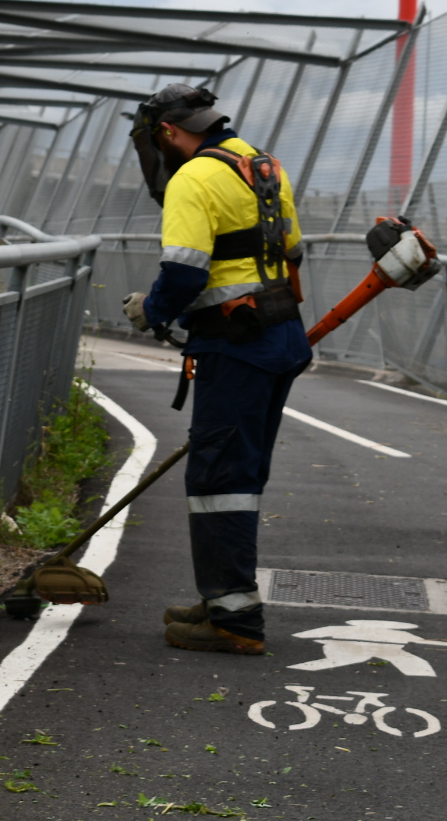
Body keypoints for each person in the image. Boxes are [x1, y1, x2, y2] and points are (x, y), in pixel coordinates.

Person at [120, 83, 310, 656]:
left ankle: (234, 618)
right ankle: (225, 599)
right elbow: (292, 251)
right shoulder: (262, 165)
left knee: (218, 480)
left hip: (236, 346)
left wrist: (150, 311)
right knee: (240, 473)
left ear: (169, 134)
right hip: (279, 338)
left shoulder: (192, 179)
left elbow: (183, 272)